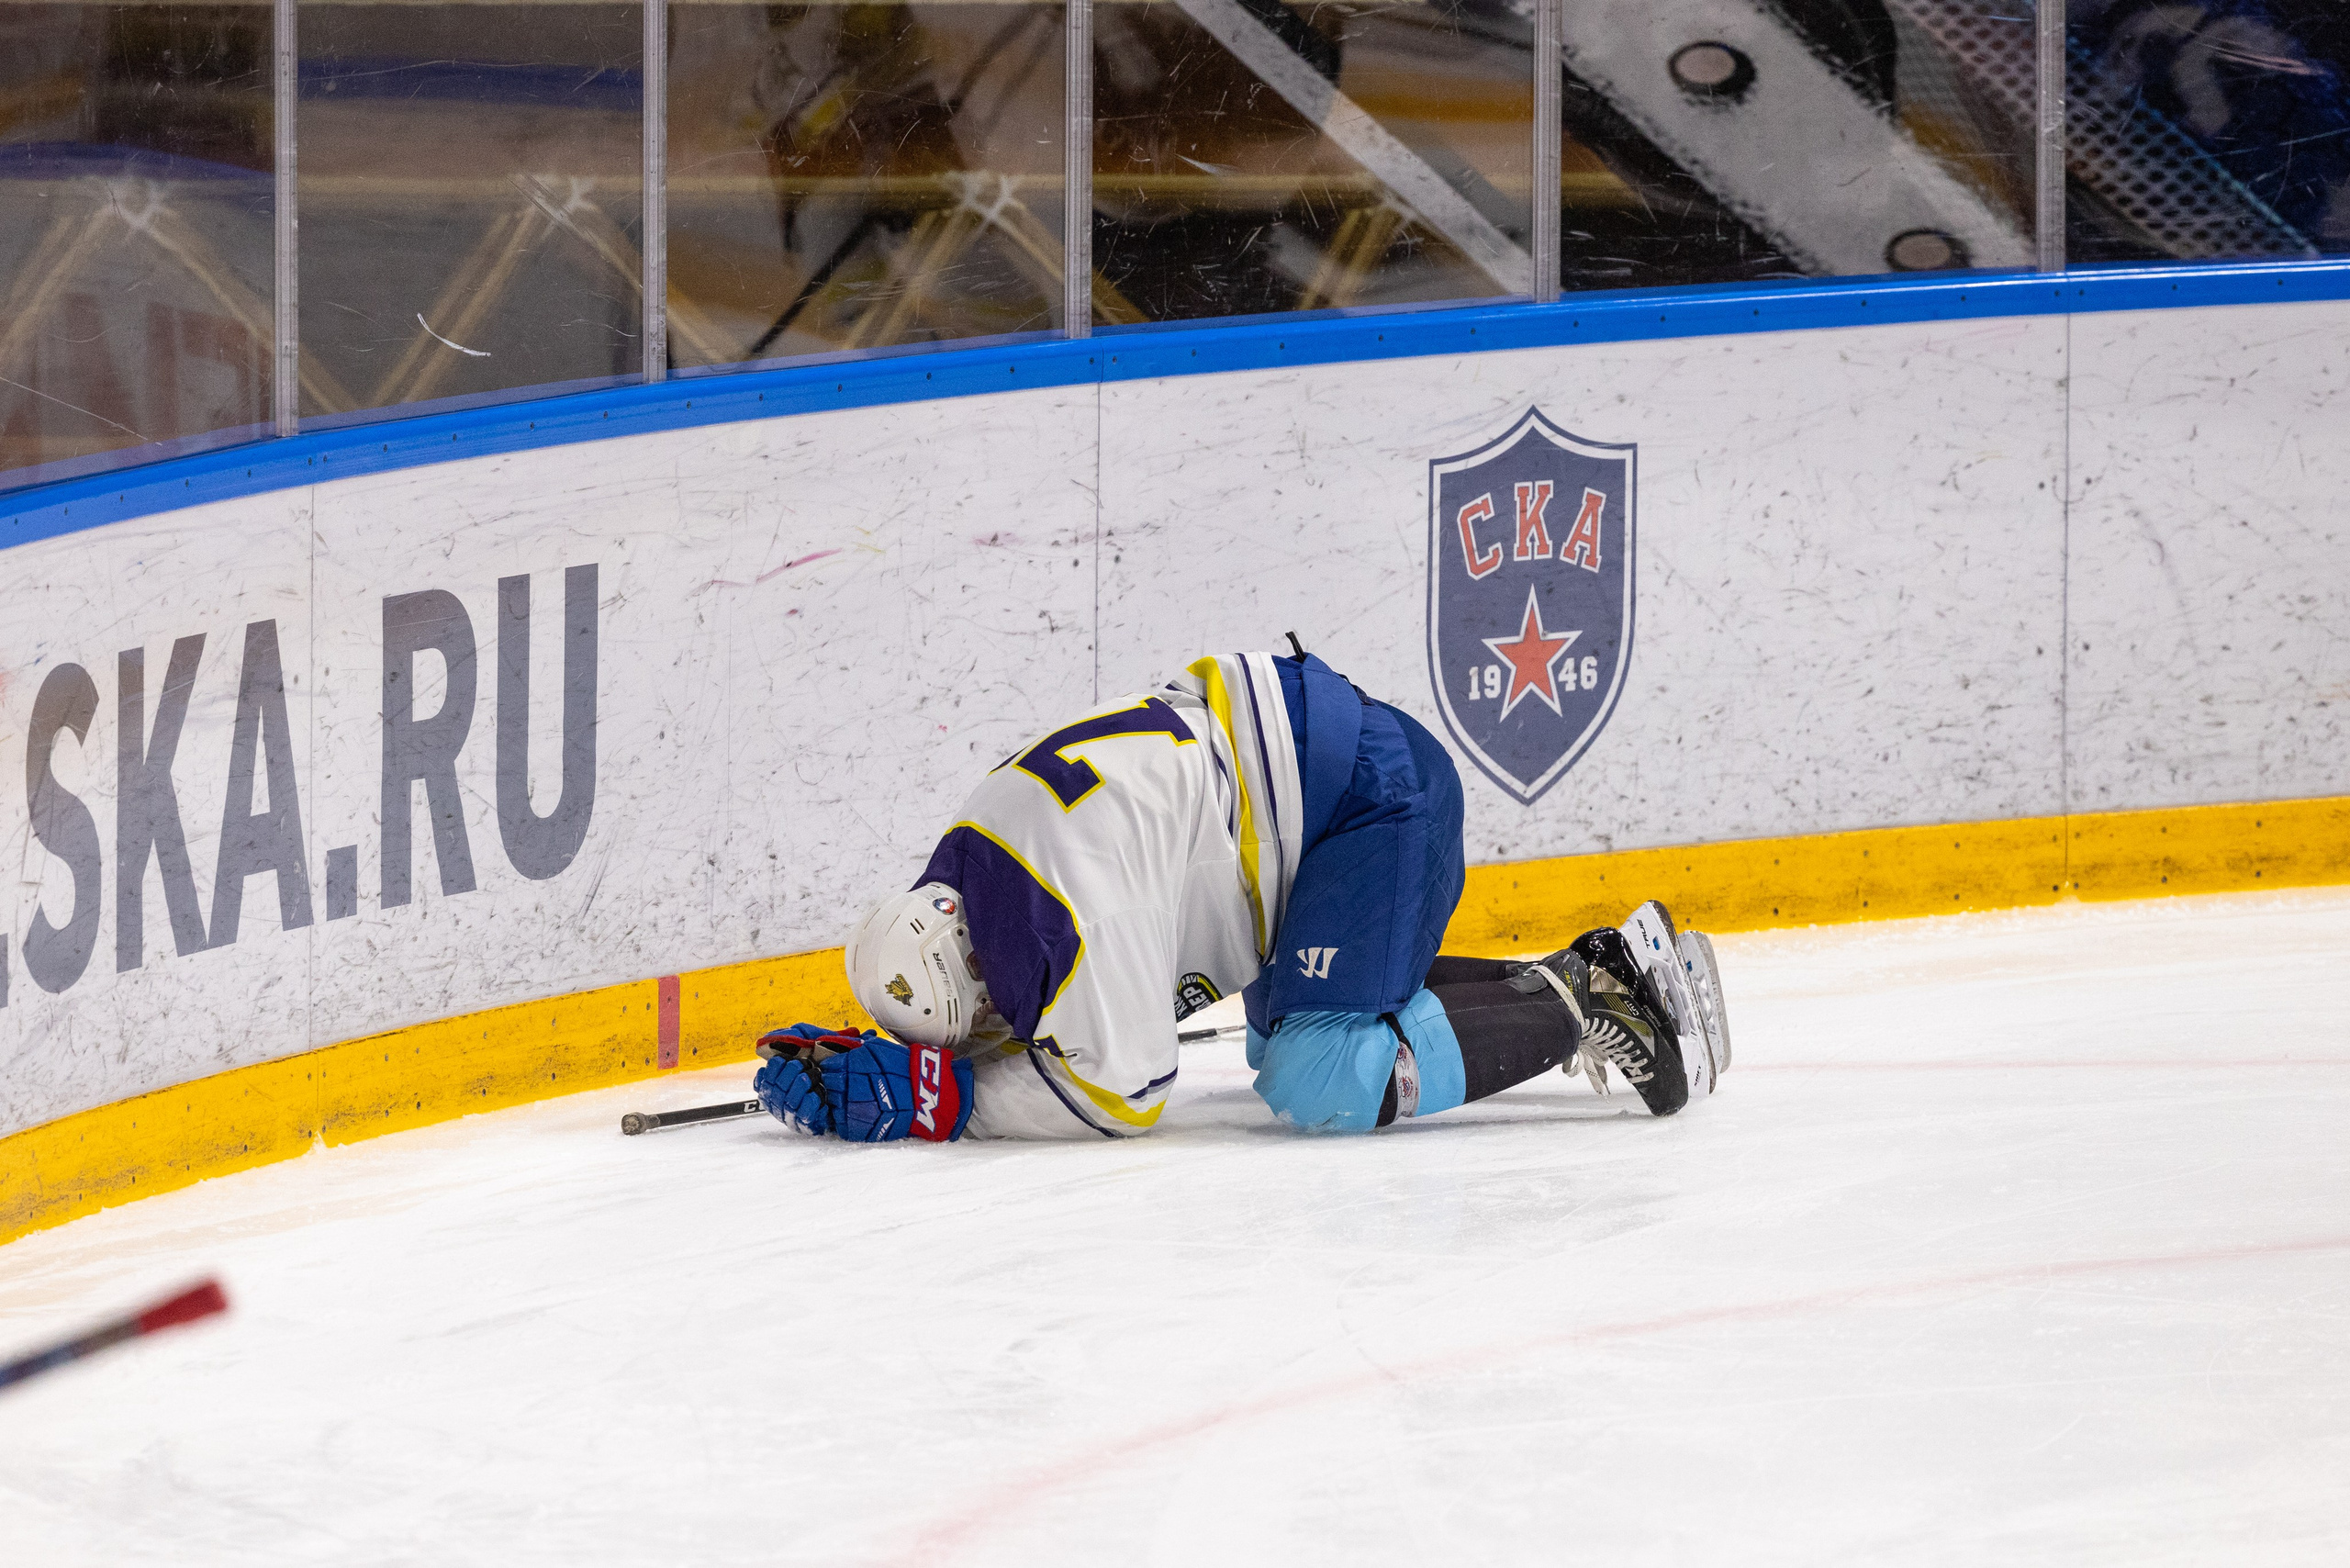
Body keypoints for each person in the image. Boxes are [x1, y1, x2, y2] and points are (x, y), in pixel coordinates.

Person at [754, 647, 1730, 1142]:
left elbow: (1121, 1090)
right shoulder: (973, 865)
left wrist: (946, 1101)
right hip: (1306, 792)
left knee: (1321, 1077)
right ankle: (1573, 979)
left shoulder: (1067, 908)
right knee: (1289, 1041)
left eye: (979, 1020)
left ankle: (1589, 996)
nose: (996, 1029)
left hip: (1369, 803)